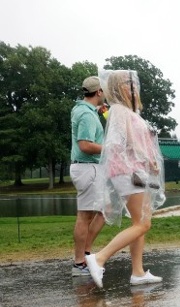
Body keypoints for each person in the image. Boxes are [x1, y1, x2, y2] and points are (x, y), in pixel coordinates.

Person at [85, 70, 166, 288]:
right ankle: (99, 258)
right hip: (129, 172)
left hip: (137, 172)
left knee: (139, 222)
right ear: (119, 87)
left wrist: (150, 160)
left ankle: (138, 272)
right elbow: (123, 142)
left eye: (133, 83)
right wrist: (146, 159)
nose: (133, 87)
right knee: (142, 224)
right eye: (129, 83)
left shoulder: (129, 111)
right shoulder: (120, 110)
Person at [70, 76, 106, 276]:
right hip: (87, 168)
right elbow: (85, 145)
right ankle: (79, 262)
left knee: (105, 210)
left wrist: (98, 112)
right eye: (104, 90)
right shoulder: (86, 115)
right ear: (98, 92)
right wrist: (109, 148)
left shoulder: (84, 110)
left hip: (90, 168)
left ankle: (85, 254)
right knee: (85, 216)